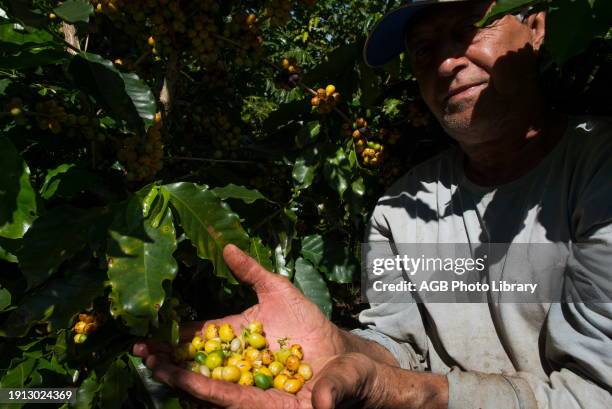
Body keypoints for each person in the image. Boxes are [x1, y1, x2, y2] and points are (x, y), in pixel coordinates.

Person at [133, 1, 612, 408]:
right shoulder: (400, 209)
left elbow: (597, 393)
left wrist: (410, 393)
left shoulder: (599, 172)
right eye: (425, 50)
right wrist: (337, 346)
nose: (447, 64)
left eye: (468, 29)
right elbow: (398, 346)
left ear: (536, 26)